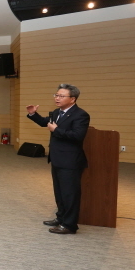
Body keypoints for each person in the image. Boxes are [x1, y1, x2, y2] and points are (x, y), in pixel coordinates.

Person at [26, 83, 90, 235]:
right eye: (56, 95)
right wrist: (33, 115)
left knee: (70, 194)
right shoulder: (57, 112)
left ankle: (69, 225)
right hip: (56, 158)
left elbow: (77, 135)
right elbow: (46, 123)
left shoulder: (81, 115)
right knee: (60, 192)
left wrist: (57, 130)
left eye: (61, 96)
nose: (57, 98)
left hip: (70, 161)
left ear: (72, 99)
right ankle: (61, 218)